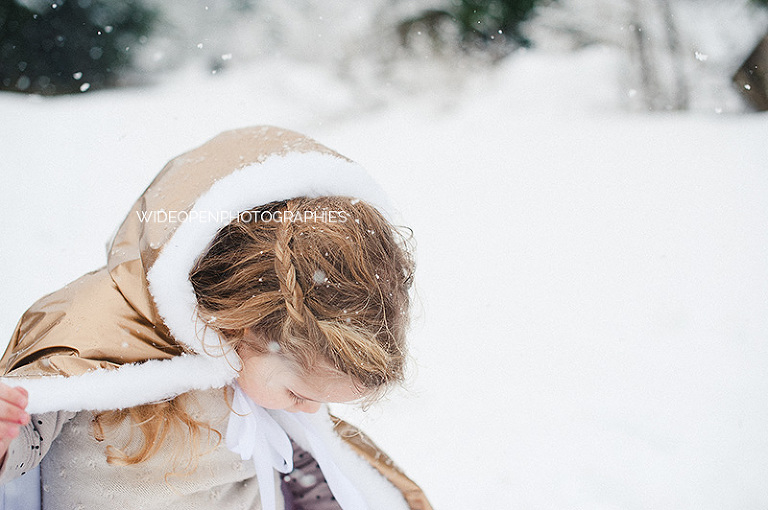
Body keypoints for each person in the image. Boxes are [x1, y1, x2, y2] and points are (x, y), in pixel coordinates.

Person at [0, 126, 433, 510]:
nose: (310, 409)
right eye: (299, 393)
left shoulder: (258, 376)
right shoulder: (95, 332)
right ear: (246, 322)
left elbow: (313, 478)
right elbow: (28, 431)